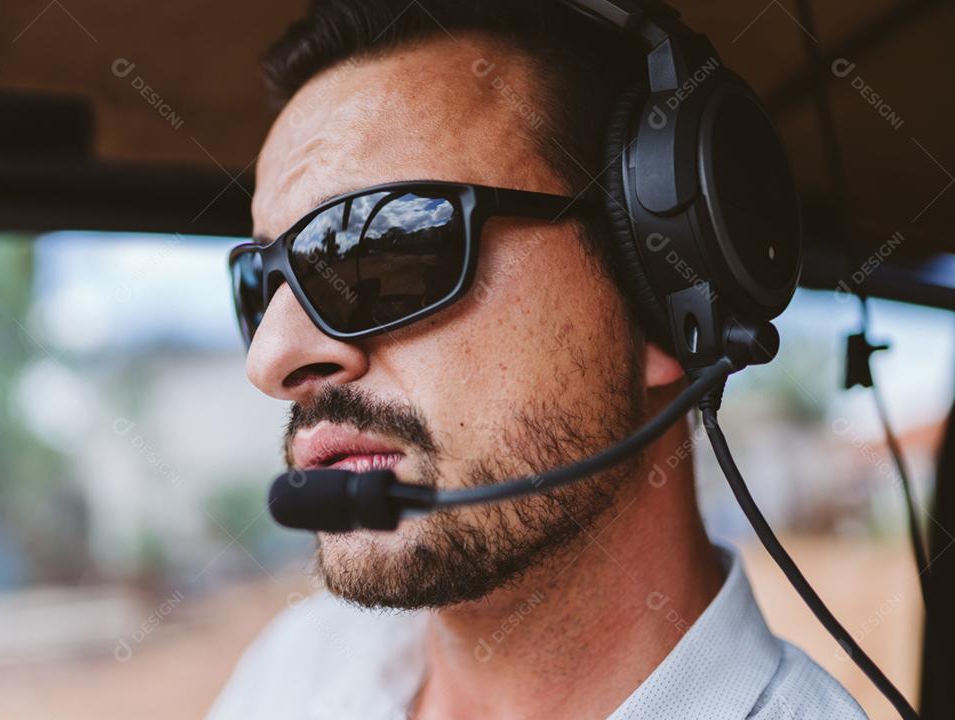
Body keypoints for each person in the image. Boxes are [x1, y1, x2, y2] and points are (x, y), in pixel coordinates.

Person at [209, 1, 866, 717]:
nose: (272, 359)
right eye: (262, 284)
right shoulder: (293, 671)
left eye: (380, 249)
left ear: (659, 288)